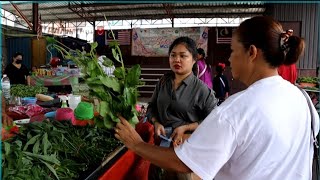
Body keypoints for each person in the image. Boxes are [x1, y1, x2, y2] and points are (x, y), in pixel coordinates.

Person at [114, 16, 319, 180]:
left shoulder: (235, 110)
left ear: (252, 53)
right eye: (173, 55)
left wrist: (137, 144)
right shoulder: (301, 98)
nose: (229, 58)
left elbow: (185, 163)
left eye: (233, 50)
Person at [146, 36, 218, 179]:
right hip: (161, 148)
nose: (176, 60)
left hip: (185, 151)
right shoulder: (163, 82)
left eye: (183, 56)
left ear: (193, 59)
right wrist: (156, 122)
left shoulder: (202, 90)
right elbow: (151, 107)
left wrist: (186, 128)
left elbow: (214, 122)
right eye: (173, 55)